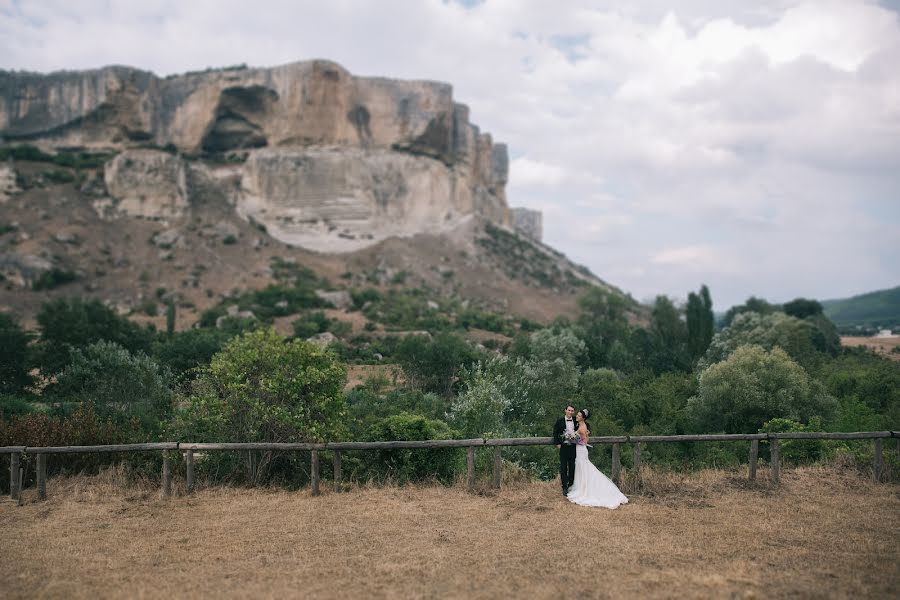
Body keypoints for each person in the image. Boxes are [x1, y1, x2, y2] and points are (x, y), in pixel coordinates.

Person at [566, 409, 628, 509]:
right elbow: (586, 438)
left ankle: (584, 490)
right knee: (582, 469)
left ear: (583, 418)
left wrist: (573, 440)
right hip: (580, 450)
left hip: (581, 450)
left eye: (578, 415)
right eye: (576, 415)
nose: (576, 416)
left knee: (583, 468)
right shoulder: (583, 426)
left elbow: (585, 441)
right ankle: (582, 487)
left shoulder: (582, 428)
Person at [552, 404, 577, 496]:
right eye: (569, 410)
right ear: (565, 410)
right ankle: (564, 487)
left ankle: (571, 484)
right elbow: (555, 432)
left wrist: (588, 430)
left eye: (572, 411)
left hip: (573, 447)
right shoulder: (560, 421)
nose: (570, 412)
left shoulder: (575, 420)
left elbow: (585, 424)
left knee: (572, 466)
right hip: (563, 447)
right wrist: (557, 443)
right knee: (563, 467)